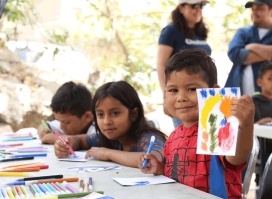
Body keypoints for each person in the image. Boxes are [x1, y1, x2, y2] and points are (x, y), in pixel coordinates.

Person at [139, 49, 254, 198]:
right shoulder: (174, 136)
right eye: (173, 90)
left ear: (214, 92)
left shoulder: (216, 127)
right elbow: (177, 176)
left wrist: (246, 126)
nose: (181, 97)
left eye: (192, 89)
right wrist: (159, 169)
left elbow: (237, 159)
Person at [54, 81, 167, 168]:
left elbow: (151, 160)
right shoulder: (112, 137)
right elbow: (80, 140)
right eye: (100, 115)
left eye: (115, 113)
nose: (107, 122)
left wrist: (108, 153)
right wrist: (66, 145)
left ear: (134, 114)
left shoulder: (149, 138)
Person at [157, 0, 211, 128]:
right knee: (185, 140)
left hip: (203, 97)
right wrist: (166, 96)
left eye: (201, 5)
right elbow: (161, 65)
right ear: (181, 8)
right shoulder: (171, 31)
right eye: (194, 5)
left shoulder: (200, 32)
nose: (198, 9)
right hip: (182, 98)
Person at [226, 0, 272, 99]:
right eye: (253, 9)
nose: (254, 13)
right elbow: (235, 54)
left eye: (260, 9)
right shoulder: (243, 33)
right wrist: (270, 53)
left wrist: (252, 47)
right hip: (238, 98)